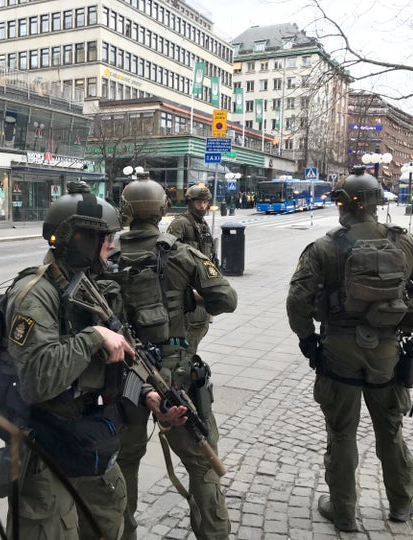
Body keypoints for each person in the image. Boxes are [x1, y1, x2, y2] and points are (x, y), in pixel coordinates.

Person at [285, 167, 413, 532]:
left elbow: (297, 302)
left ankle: (343, 512)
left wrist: (309, 341)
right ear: (377, 203)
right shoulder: (407, 243)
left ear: (342, 205)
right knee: (390, 428)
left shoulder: (324, 247)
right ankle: (402, 504)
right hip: (388, 350)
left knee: (341, 433)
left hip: (339, 348)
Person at [1, 181, 133, 539]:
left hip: (86, 432)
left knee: (108, 515)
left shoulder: (86, 285)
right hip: (46, 441)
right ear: (80, 240)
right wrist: (94, 337)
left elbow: (126, 356)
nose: (111, 247)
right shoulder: (35, 295)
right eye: (105, 239)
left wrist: (147, 395)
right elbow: (36, 379)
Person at [115, 175, 238, 540]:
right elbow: (227, 299)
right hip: (177, 377)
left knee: (123, 463)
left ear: (125, 212)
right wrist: (190, 298)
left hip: (126, 378)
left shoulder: (107, 256)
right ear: (164, 211)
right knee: (202, 463)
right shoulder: (180, 253)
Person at [167, 183, 217, 354]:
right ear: (190, 202)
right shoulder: (180, 224)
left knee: (200, 327)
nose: (202, 206)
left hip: (202, 286)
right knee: (189, 332)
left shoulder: (202, 225)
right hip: (187, 290)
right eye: (198, 202)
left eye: (205, 202)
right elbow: (169, 256)